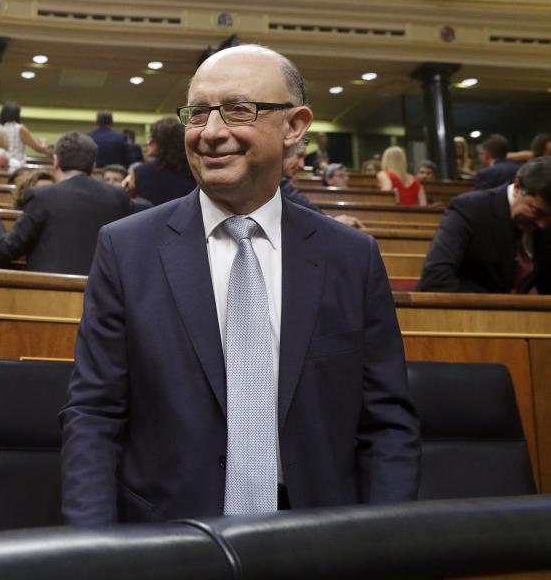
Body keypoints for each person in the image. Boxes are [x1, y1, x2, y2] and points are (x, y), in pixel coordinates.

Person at [60, 44, 420, 526]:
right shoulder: (126, 249)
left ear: (294, 126)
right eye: (198, 113)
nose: (211, 133)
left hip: (320, 539)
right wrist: (92, 551)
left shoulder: (350, 258)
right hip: (169, 538)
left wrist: (387, 546)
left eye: (237, 111)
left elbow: (387, 424)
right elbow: (94, 413)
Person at [0, 132, 134, 275]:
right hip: (102, 303)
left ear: (55, 161)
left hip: (49, 298)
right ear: (93, 165)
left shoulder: (42, 196)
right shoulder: (119, 197)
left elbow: (6, 250)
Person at [417, 156, 551, 294]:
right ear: (517, 186)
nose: (543, 224)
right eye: (537, 211)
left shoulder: (546, 223)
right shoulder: (469, 209)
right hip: (459, 311)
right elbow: (436, 279)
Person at [125, 117, 196, 206]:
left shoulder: (141, 171)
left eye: (152, 138)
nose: (149, 143)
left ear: (162, 143)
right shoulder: (194, 170)